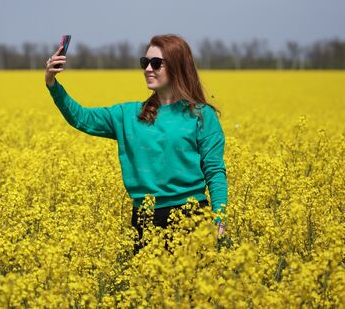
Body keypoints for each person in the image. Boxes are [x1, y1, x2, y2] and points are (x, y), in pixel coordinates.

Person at [44, 34, 228, 255]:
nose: (148, 68)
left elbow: (215, 170)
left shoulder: (201, 115)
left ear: (178, 66)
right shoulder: (129, 115)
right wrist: (52, 84)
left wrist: (219, 217)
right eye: (145, 62)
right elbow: (82, 118)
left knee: (190, 289)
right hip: (145, 218)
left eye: (156, 63)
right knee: (149, 289)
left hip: (191, 217)